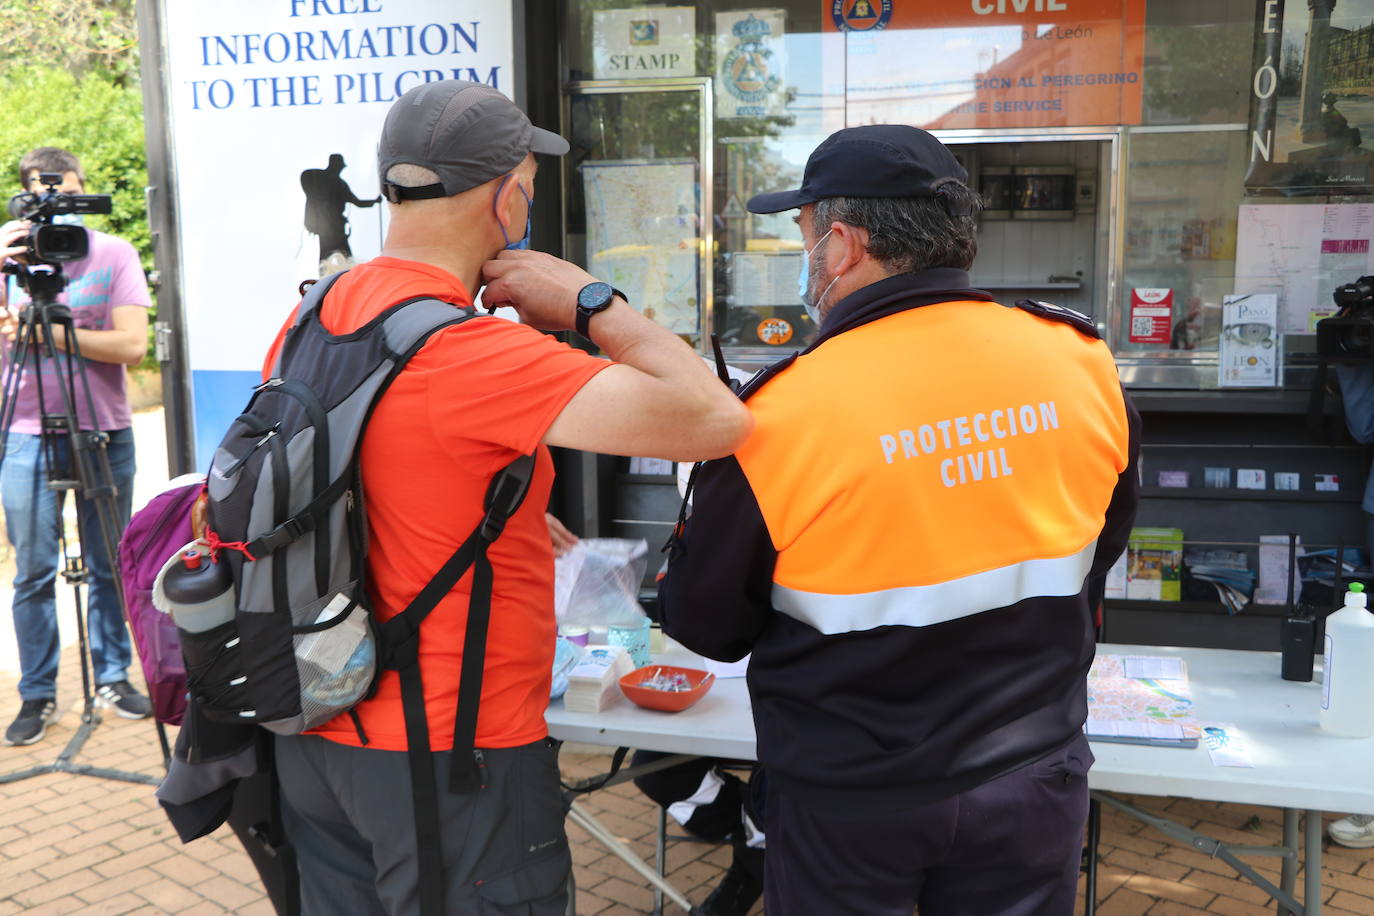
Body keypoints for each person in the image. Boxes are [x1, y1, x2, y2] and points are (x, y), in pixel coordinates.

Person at [264, 81, 751, 916]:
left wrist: (499, 511)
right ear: (507, 193)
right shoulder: (473, 352)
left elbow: (353, 476)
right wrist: (594, 303)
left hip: (315, 729)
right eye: (529, 176)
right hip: (453, 749)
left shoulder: (314, 314)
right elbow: (714, 419)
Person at [658, 124, 1141, 915]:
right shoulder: (1079, 360)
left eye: (806, 234)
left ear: (843, 245)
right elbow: (1103, 538)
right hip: (1033, 779)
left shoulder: (781, 414)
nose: (807, 255)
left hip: (853, 802)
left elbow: (705, 624)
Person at [0, 146, 153, 746]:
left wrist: (57, 335)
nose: (56, 213)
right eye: (44, 199)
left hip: (103, 429)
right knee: (33, 571)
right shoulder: (8, 257)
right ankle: (37, 694)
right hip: (24, 435)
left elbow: (132, 348)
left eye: (66, 197)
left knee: (109, 564)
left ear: (84, 190)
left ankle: (113, 675)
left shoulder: (113, 253)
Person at [299, 153, 380, 273]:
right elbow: (306, 180)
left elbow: (357, 202)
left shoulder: (341, 185)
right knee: (330, 255)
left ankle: (351, 279)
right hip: (327, 227)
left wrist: (374, 201)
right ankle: (328, 281)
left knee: (344, 256)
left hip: (337, 227)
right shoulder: (317, 177)